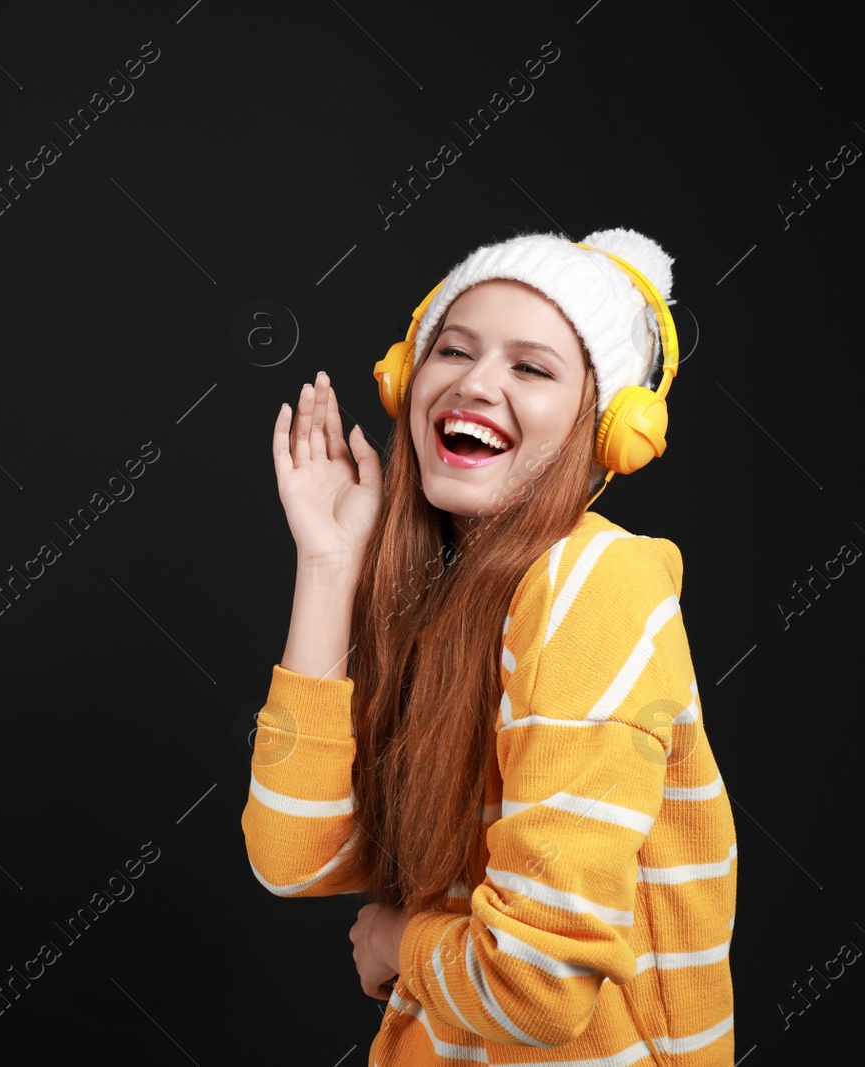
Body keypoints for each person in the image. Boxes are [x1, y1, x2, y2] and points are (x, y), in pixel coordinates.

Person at [240, 229, 737, 1065]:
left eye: (531, 367)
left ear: (609, 428)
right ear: (408, 378)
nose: (474, 382)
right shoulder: (450, 604)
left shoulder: (594, 582)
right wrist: (328, 568)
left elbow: (537, 984)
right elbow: (293, 855)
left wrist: (401, 941)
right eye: (454, 349)